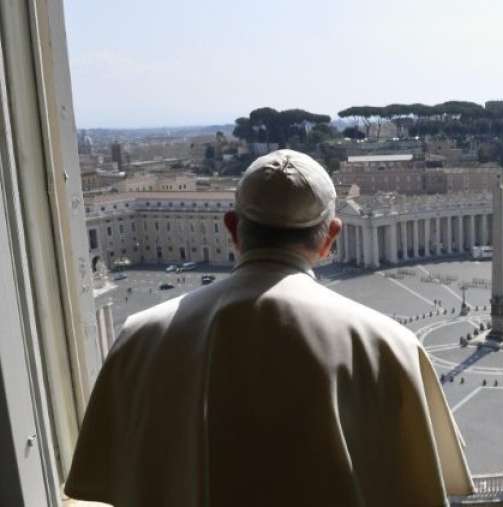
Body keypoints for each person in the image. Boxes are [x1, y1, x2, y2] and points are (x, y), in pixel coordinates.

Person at [65, 149, 473, 506]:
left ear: (231, 228)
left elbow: (106, 484)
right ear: (331, 236)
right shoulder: (390, 345)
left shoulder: (139, 336)